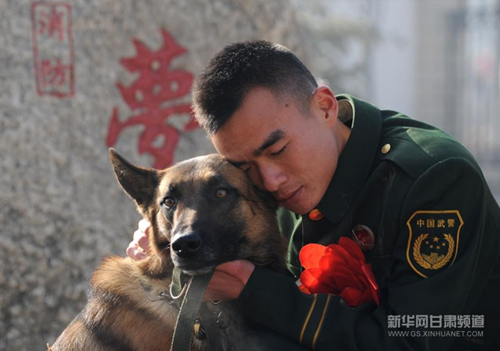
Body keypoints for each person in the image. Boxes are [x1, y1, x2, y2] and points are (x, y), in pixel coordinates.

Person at [127, 41, 500, 350]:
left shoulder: (433, 178)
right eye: (246, 166)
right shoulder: (273, 185)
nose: (269, 181)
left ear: (325, 106)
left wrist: (254, 289)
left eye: (277, 150)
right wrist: (161, 240)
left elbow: (408, 341)